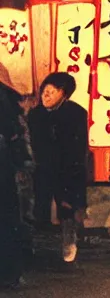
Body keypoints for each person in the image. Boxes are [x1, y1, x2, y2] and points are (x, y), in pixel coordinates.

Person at [27, 72, 88, 263]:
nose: (47, 96)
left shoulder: (77, 113)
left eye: (52, 92)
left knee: (67, 207)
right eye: (45, 91)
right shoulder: (35, 114)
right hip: (43, 166)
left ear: (64, 94)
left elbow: (79, 147)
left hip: (69, 167)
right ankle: (37, 246)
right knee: (39, 206)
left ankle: (69, 240)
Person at [0, 66, 30, 288]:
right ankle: (11, 272)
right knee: (7, 218)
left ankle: (9, 272)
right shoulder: (10, 103)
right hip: (6, 165)